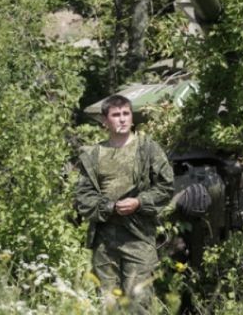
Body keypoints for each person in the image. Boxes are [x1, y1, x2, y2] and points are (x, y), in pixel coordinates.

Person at [74, 94, 174, 312]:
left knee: (138, 303)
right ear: (104, 120)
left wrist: (139, 202)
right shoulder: (93, 155)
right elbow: (83, 197)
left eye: (126, 113)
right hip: (104, 241)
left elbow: (166, 187)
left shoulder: (147, 149)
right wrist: (110, 207)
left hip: (139, 237)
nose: (122, 119)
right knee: (107, 304)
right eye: (116, 115)